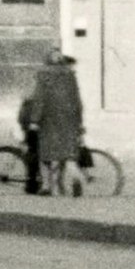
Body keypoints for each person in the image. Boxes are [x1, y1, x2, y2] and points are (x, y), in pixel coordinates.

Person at [24, 49, 86, 194]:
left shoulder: (44, 74)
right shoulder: (70, 76)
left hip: (49, 120)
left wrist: (34, 120)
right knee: (69, 155)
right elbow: (77, 101)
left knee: (46, 155)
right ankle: (76, 179)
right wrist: (79, 122)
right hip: (69, 120)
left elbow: (40, 99)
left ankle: (46, 187)